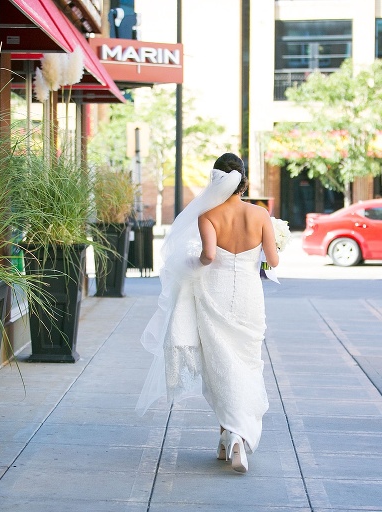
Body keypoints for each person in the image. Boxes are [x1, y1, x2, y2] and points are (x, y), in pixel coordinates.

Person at [136, 153, 279, 474]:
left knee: (219, 365)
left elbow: (208, 257)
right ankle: (234, 436)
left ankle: (231, 434)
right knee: (246, 361)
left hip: (213, 296)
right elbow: (273, 261)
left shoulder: (208, 215)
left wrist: (186, 266)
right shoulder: (260, 215)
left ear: (216, 179)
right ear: (243, 180)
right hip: (248, 298)